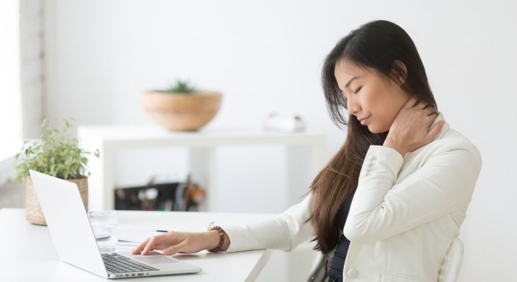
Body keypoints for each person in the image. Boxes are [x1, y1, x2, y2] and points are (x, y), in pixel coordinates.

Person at [132, 20, 482, 282]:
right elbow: (291, 226)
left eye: (356, 88)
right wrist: (210, 238)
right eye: (345, 97)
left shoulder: (454, 156)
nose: (353, 108)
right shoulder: (368, 148)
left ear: (399, 73)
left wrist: (393, 149)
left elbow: (363, 225)